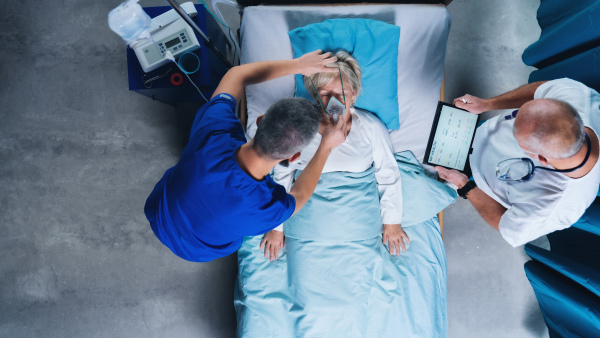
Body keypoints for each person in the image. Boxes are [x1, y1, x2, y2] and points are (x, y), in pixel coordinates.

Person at [144, 50, 350, 262]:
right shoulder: (267, 210)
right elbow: (299, 195)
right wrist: (326, 147)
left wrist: (298, 65)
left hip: (159, 210)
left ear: (260, 120)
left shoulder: (214, 131)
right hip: (198, 251)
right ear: (294, 155)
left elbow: (237, 75)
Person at [260, 51, 409, 260]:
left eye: (342, 93)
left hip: (354, 219)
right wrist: (277, 227)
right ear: (314, 96)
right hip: (308, 215)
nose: (334, 101)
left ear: (354, 93)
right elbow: (283, 175)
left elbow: (388, 173)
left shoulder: (370, 127)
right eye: (324, 94)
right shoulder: (298, 127)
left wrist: (392, 221)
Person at [436, 78, 600, 247]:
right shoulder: (577, 97)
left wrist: (465, 185)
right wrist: (486, 104)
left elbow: (504, 223)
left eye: (518, 141)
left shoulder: (549, 209)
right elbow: (539, 91)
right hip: (483, 130)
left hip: (476, 177)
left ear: (541, 159)